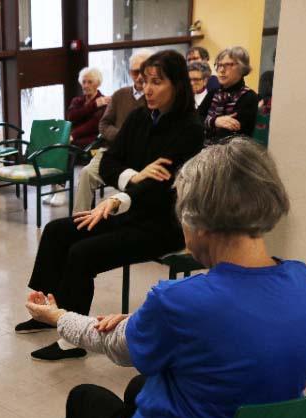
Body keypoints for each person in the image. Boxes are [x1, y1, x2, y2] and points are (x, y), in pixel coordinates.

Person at [20, 137, 306, 418]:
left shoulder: (179, 301)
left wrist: (57, 317)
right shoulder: (305, 282)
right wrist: (136, 319)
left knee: (84, 400)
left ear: (198, 220)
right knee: (140, 387)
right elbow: (233, 331)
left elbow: (114, 346)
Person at [15, 50, 203, 361]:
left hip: (161, 225)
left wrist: (118, 197)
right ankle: (46, 312)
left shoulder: (189, 128)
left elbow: (161, 188)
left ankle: (71, 339)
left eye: (158, 82)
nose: (149, 89)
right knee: (57, 230)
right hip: (128, 211)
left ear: (178, 85)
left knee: (81, 253)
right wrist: (134, 177)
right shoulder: (141, 116)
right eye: (146, 82)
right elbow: (109, 162)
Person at [73, 50, 150, 214]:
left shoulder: (154, 97)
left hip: (140, 154)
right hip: (112, 149)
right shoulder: (120, 95)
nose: (140, 76)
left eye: (145, 70)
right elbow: (104, 124)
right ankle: (79, 219)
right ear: (130, 73)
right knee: (86, 173)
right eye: (136, 71)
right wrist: (122, 137)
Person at [46, 68, 108, 207]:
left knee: (66, 149)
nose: (86, 85)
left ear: (97, 83)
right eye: (84, 82)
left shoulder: (103, 102)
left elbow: (93, 125)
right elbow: (71, 117)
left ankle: (61, 189)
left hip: (93, 140)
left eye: (90, 82)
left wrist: (73, 135)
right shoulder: (77, 100)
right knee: (54, 146)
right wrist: (93, 105)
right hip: (75, 138)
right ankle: (53, 187)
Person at [198, 46, 260, 144]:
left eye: (228, 65)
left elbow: (232, 134)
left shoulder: (249, 96)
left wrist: (206, 122)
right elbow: (195, 119)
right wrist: (215, 121)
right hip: (204, 151)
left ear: (242, 68)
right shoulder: (213, 93)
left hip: (231, 154)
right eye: (218, 65)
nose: (221, 70)